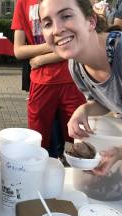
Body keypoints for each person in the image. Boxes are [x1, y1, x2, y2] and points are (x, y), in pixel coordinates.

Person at [39, 0, 122, 175]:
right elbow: (107, 100)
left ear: (91, 21)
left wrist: (120, 152)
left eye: (66, 16)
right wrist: (83, 110)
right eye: (47, 23)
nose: (56, 30)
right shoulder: (76, 66)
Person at [11, 0, 86, 158]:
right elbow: (18, 50)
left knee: (80, 143)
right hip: (41, 83)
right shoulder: (23, 3)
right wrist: (54, 44)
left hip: (73, 79)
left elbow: (80, 40)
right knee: (38, 143)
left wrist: (42, 59)